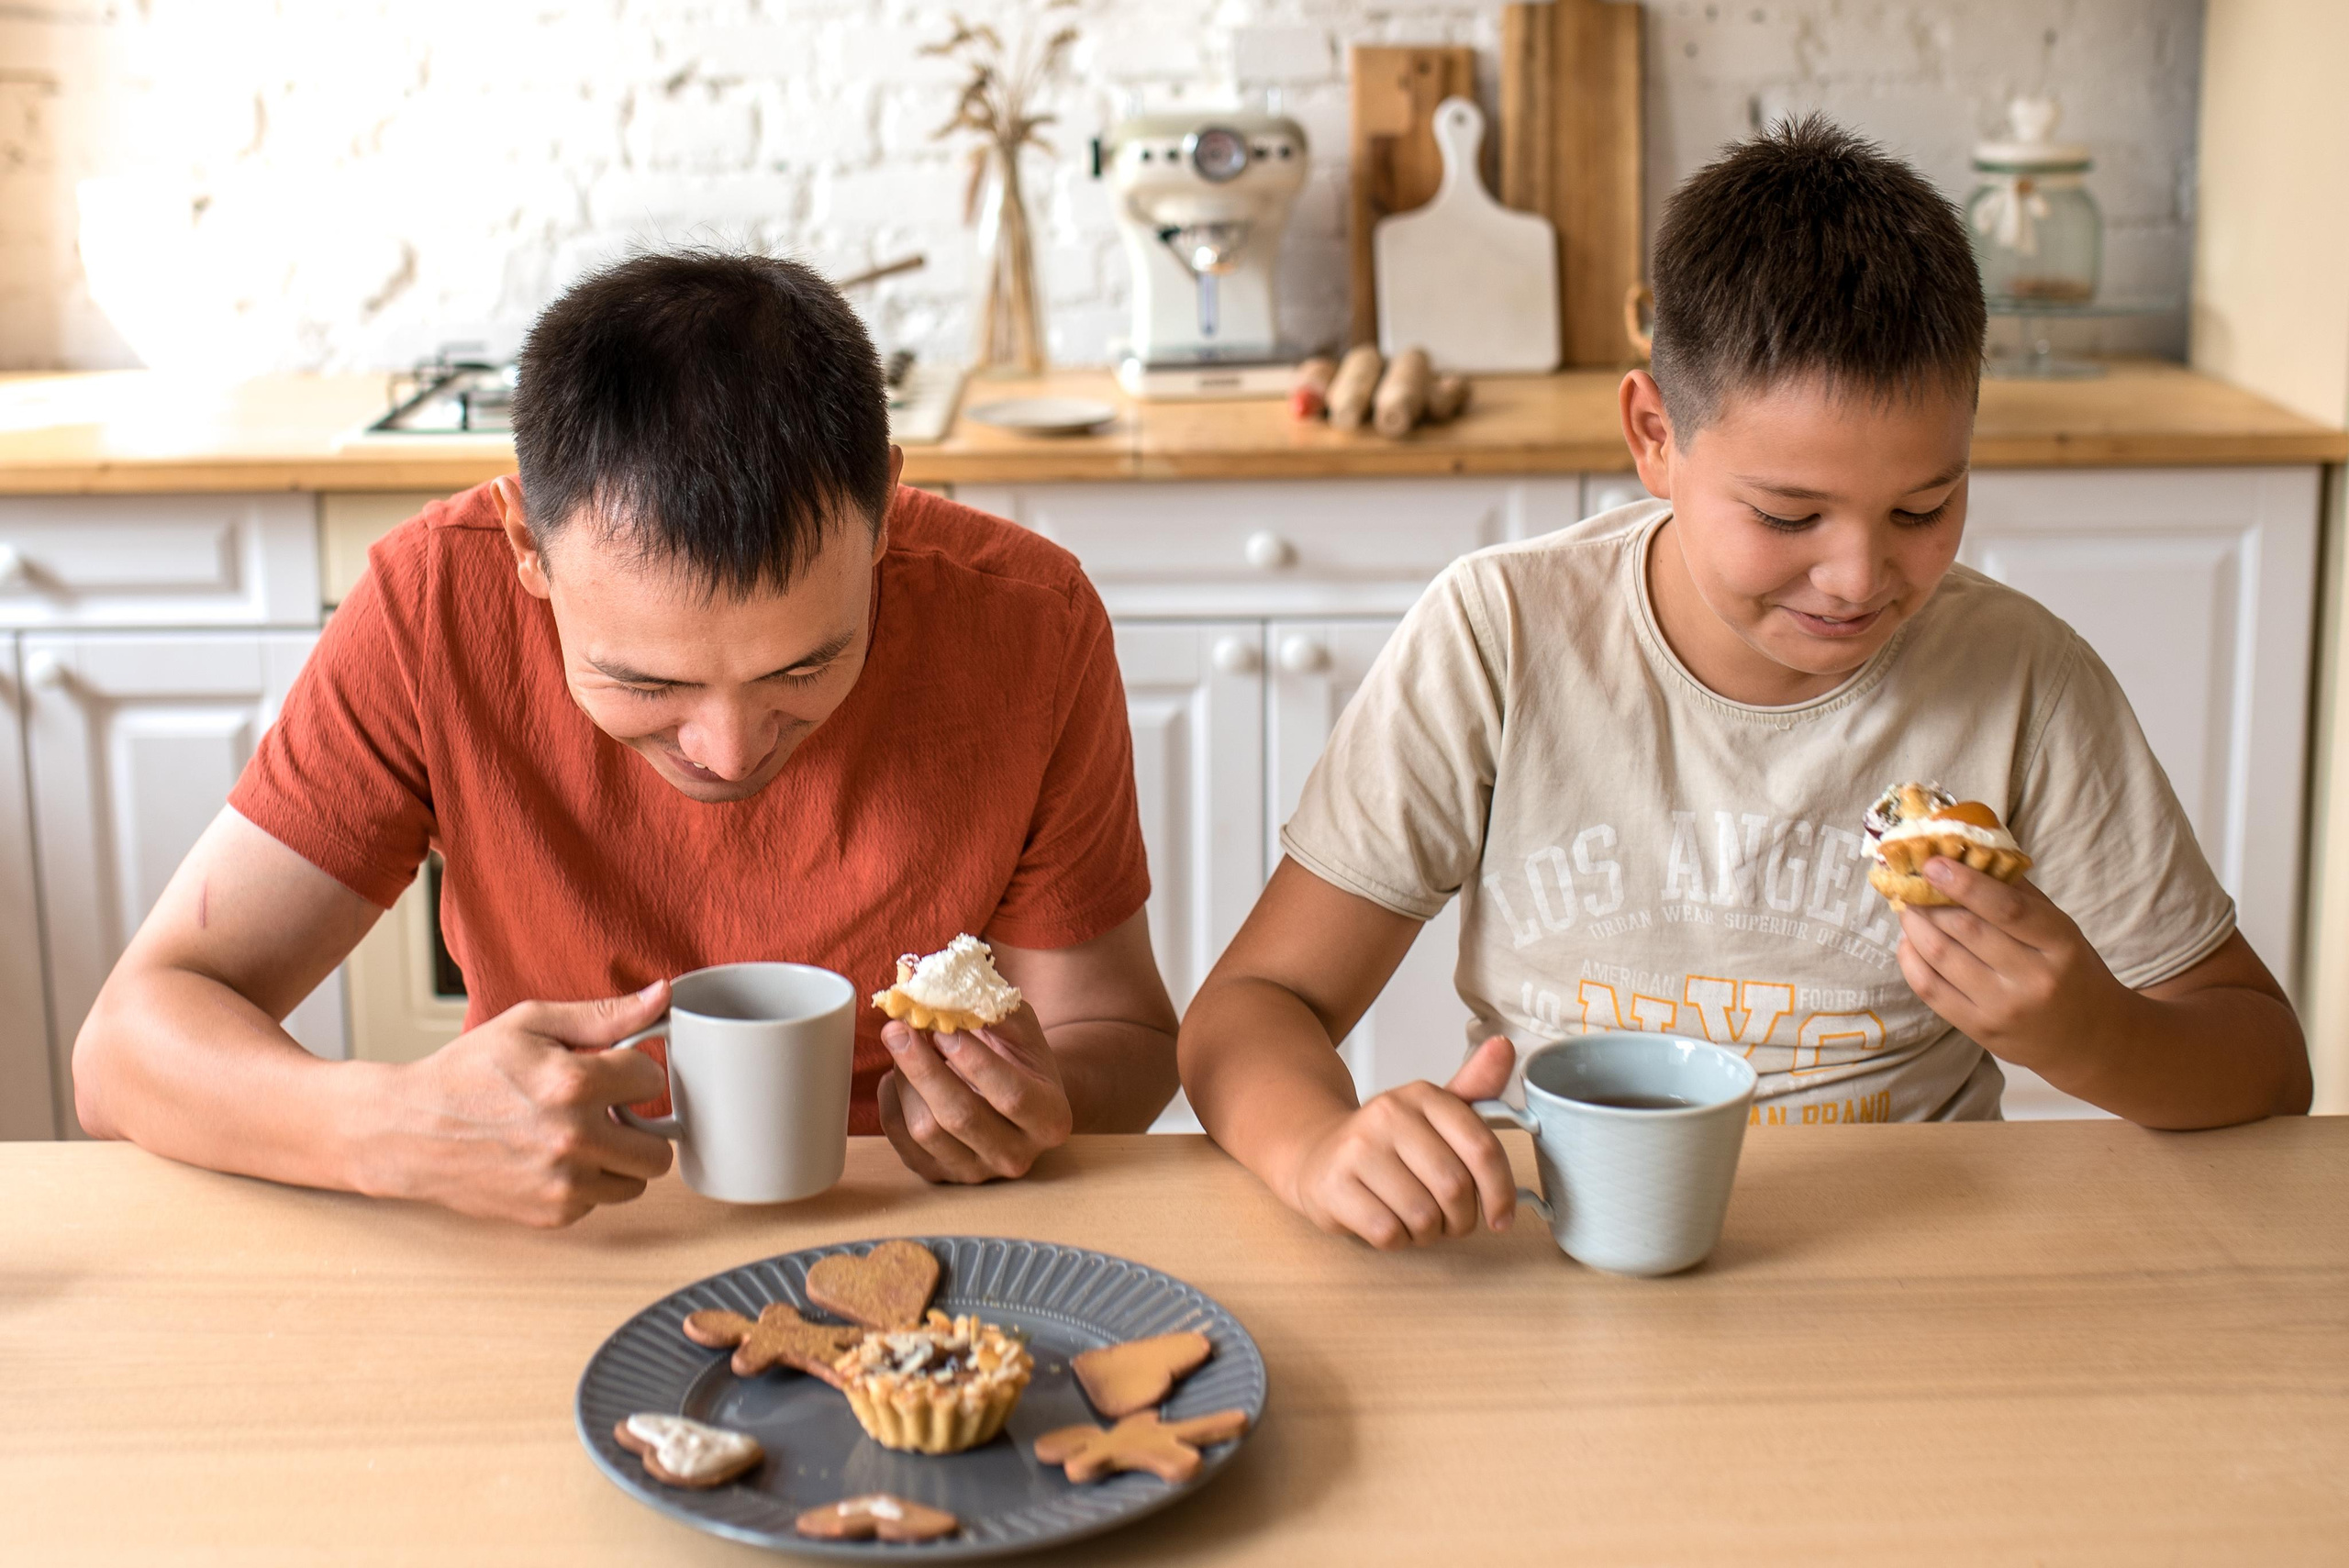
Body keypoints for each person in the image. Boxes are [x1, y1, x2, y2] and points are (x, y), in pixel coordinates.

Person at [1177, 117, 2311, 1251]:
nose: (1861, 575)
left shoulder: (2022, 679)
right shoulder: (1502, 634)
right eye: (1786, 514)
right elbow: (1251, 1010)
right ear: (1653, 433)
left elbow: (2264, 1059)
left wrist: (2095, 1033)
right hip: (1567, 1245)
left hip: (1912, 1270)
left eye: (1924, 508)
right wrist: (1319, 1146)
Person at [72, 251, 1180, 1225]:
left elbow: (1121, 1031)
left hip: (923, 1222)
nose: (732, 751)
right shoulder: (433, 606)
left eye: (803, 667)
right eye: (644, 680)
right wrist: (399, 1126)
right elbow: (123, 1051)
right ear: (526, 547)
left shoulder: (1027, 619)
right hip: (554, 1224)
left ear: (886, 514)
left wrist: (1033, 1105)